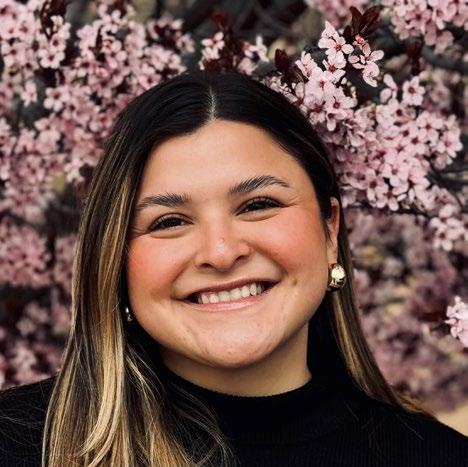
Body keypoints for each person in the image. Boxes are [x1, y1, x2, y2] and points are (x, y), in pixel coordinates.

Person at [0, 69, 467, 467]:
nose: (221, 252)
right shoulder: (16, 444)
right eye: (169, 222)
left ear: (329, 230)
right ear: (114, 259)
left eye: (258, 205)